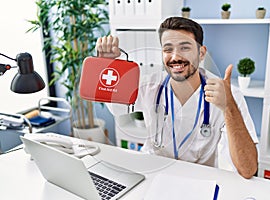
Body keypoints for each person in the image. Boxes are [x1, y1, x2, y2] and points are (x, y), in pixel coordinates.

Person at [95, 17, 258, 179]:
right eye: (168, 49)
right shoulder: (149, 85)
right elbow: (116, 108)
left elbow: (248, 169)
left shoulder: (227, 94)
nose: (175, 57)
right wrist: (110, 65)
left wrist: (228, 107)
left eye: (185, 48)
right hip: (151, 173)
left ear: (201, 53)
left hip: (199, 180)